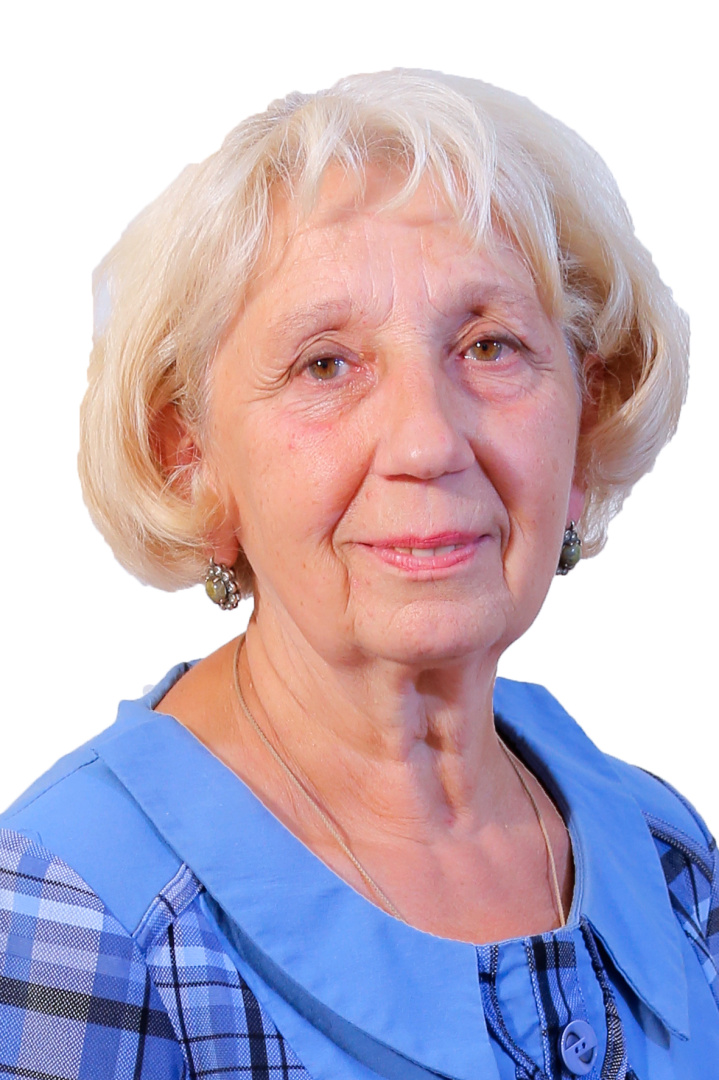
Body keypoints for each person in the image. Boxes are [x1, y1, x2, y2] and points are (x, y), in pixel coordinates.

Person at [0, 69, 715, 1079]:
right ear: (189, 457)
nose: (427, 442)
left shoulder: (662, 851)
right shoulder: (67, 921)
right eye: (325, 364)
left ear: (583, 421)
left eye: (490, 345)